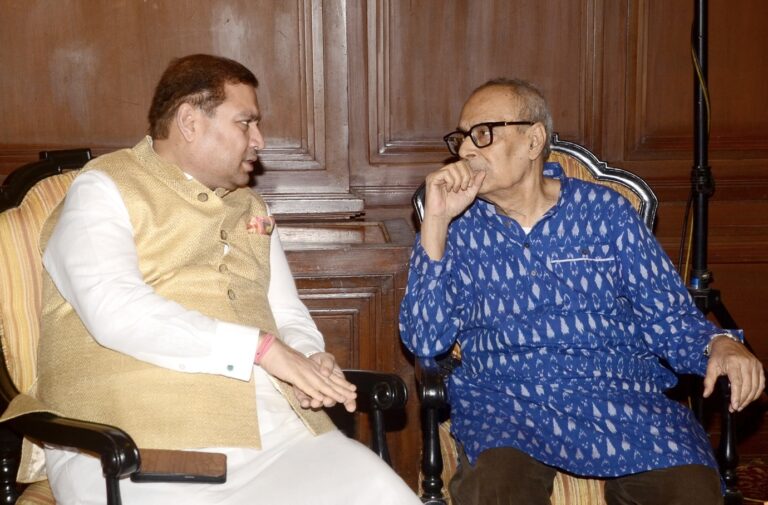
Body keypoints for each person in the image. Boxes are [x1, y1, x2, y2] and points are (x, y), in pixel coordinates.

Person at [3, 54, 420, 505]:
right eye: (246, 123)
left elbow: (286, 313)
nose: (259, 140)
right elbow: (113, 308)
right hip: (133, 442)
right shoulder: (103, 187)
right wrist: (260, 348)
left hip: (274, 437)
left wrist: (310, 358)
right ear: (189, 121)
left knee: (379, 489)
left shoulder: (252, 209)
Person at [398, 78, 765, 505]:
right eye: (461, 138)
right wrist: (437, 222)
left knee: (689, 492)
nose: (464, 151)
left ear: (534, 140)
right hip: (508, 403)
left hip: (620, 398)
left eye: (482, 134)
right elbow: (424, 339)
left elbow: (668, 316)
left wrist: (719, 344)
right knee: (494, 492)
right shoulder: (459, 229)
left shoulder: (605, 213)